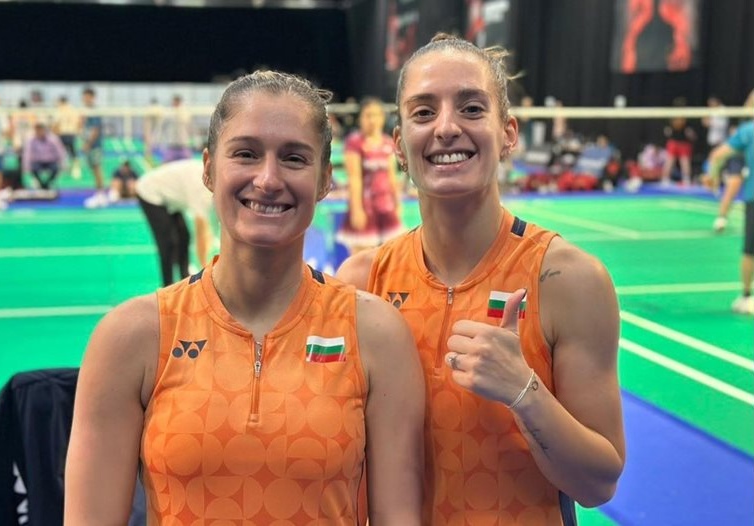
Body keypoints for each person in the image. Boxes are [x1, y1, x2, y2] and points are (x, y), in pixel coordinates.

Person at [65, 70, 425, 525]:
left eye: (294, 158)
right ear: (208, 169)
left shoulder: (376, 335)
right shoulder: (130, 338)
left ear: (325, 180)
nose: (268, 179)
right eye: (246, 154)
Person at [336, 33, 625, 525]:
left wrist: (524, 392)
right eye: (424, 112)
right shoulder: (363, 281)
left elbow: (597, 485)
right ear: (398, 144)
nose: (447, 127)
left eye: (471, 108)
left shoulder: (568, 281)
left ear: (508, 133)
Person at [336, 97, 405, 254]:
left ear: (382, 118)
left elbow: (392, 177)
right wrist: (356, 209)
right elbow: (354, 178)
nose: (372, 120)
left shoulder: (388, 143)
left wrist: (397, 203)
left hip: (386, 207)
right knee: (362, 257)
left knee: (391, 255)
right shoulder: (354, 143)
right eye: (368, 115)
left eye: (376, 115)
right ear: (360, 118)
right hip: (365, 208)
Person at [134, 158, 212, 285]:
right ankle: (167, 287)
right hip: (150, 192)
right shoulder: (200, 187)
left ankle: (185, 280)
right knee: (167, 244)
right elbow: (201, 234)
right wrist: (205, 270)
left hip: (171, 197)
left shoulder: (210, 178)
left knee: (184, 236)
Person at [707, 103, 754, 315]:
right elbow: (718, 155)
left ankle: (746, 296)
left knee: (750, 251)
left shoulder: (748, 130)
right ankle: (746, 296)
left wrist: (712, 176)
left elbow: (718, 155)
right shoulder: (748, 131)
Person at [80, 87, 107, 208]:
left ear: (92, 97)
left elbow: (96, 130)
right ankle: (99, 194)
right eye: (84, 96)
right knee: (94, 170)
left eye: (87, 96)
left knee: (97, 169)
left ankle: (101, 196)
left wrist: (88, 144)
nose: (85, 99)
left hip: (95, 145)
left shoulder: (94, 111)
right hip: (89, 145)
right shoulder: (85, 111)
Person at [22, 122, 68, 190]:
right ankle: (42, 184)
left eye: (40, 130)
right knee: (33, 168)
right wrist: (26, 167)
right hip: (38, 162)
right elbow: (27, 154)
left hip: (51, 161)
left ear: (44, 130)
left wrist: (64, 165)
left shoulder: (53, 139)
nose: (39, 133)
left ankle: (47, 184)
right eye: (37, 131)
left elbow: (61, 152)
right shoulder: (31, 140)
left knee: (55, 168)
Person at [52, 95, 82, 179]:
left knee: (61, 153)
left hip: (63, 133)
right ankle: (75, 170)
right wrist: (78, 132)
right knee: (72, 152)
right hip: (72, 133)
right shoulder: (74, 110)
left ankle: (64, 168)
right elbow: (79, 122)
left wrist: (54, 133)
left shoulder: (59, 110)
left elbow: (56, 123)